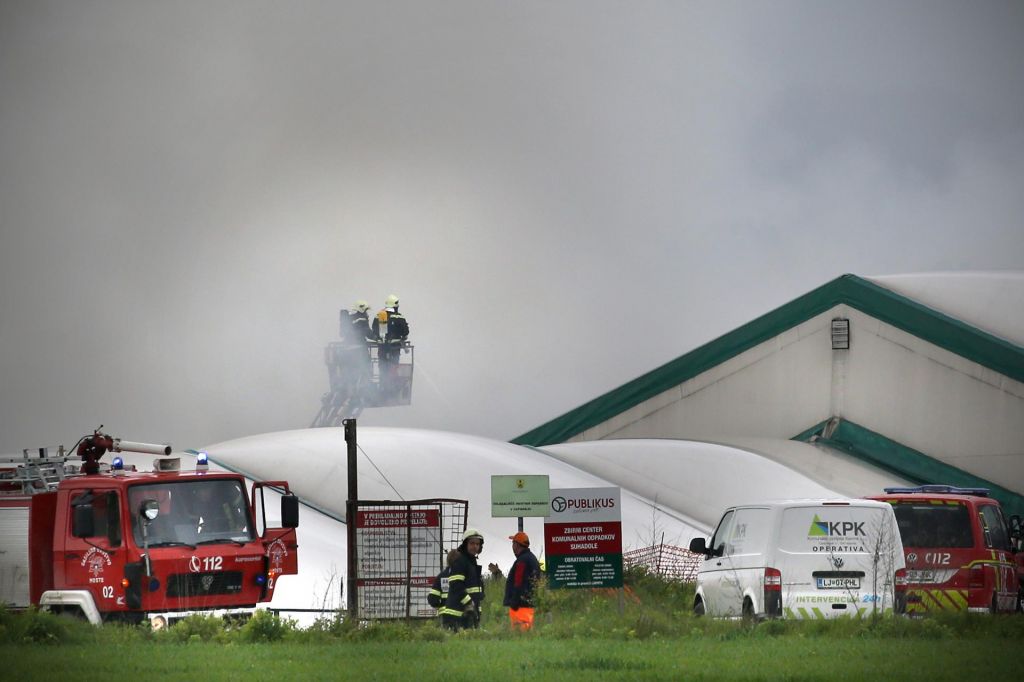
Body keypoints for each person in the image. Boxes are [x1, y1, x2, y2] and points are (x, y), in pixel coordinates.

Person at [441, 528, 485, 631]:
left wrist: (476, 609)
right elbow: (456, 585)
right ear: (466, 544)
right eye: (472, 543)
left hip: (468, 614)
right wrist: (469, 602)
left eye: (477, 544)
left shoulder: (471, 562)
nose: (475, 546)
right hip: (456, 615)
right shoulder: (460, 561)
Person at [371, 293, 409, 399]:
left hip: (382, 348)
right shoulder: (399, 317)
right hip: (394, 348)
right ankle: (391, 389)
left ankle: (383, 387)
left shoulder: (379, 315)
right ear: (395, 305)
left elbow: (374, 329)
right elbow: (405, 331)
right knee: (393, 366)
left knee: (383, 367)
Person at [503, 531, 541, 630]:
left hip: (520, 605)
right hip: (527, 603)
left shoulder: (522, 561)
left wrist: (514, 602)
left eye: (513, 543)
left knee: (520, 632)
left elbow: (518, 582)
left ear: (517, 545)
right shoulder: (531, 558)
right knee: (525, 632)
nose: (512, 546)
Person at [428, 549, 460, 616]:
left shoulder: (441, 576)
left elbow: (432, 599)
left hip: (445, 614)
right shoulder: (465, 576)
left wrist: (439, 606)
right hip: (462, 614)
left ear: (448, 561)